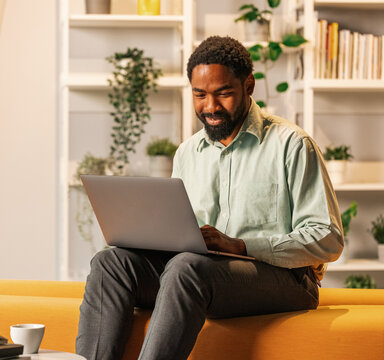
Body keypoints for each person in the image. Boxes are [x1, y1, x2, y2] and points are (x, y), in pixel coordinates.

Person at [75, 35, 343, 360]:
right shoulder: (188, 153)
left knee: (188, 267)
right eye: (200, 95)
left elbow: (328, 239)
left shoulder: (292, 144)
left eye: (223, 93)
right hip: (201, 275)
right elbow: (177, 231)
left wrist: (241, 246)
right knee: (111, 262)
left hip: (284, 279)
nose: (210, 107)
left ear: (249, 85)